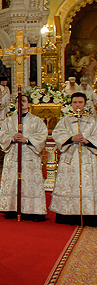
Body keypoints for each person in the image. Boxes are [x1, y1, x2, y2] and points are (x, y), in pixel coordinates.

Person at [0, 94, 48, 221]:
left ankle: (34, 211)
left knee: (31, 183)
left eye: (24, 101)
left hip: (30, 156)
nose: (21, 104)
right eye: (19, 101)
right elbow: (2, 136)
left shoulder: (37, 120)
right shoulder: (8, 120)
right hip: (13, 154)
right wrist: (12, 138)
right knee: (13, 181)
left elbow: (42, 136)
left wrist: (27, 139)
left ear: (29, 104)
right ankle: (12, 208)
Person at [49, 93, 97, 226]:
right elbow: (57, 133)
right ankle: (68, 215)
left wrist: (88, 140)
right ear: (71, 104)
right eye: (75, 102)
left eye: (80, 102)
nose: (77, 105)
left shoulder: (93, 120)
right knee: (69, 185)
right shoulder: (65, 120)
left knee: (88, 186)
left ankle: (90, 217)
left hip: (88, 158)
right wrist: (71, 138)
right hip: (70, 158)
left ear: (85, 104)